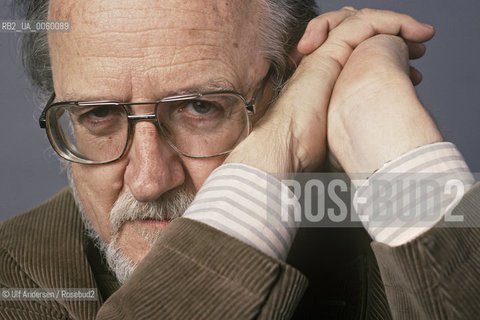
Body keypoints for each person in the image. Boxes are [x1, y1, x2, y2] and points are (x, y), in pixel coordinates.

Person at [1, 0, 479, 319]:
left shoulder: (388, 241)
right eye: (98, 114)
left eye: (201, 107)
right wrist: (277, 144)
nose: (148, 181)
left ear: (294, 86)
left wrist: (387, 128)